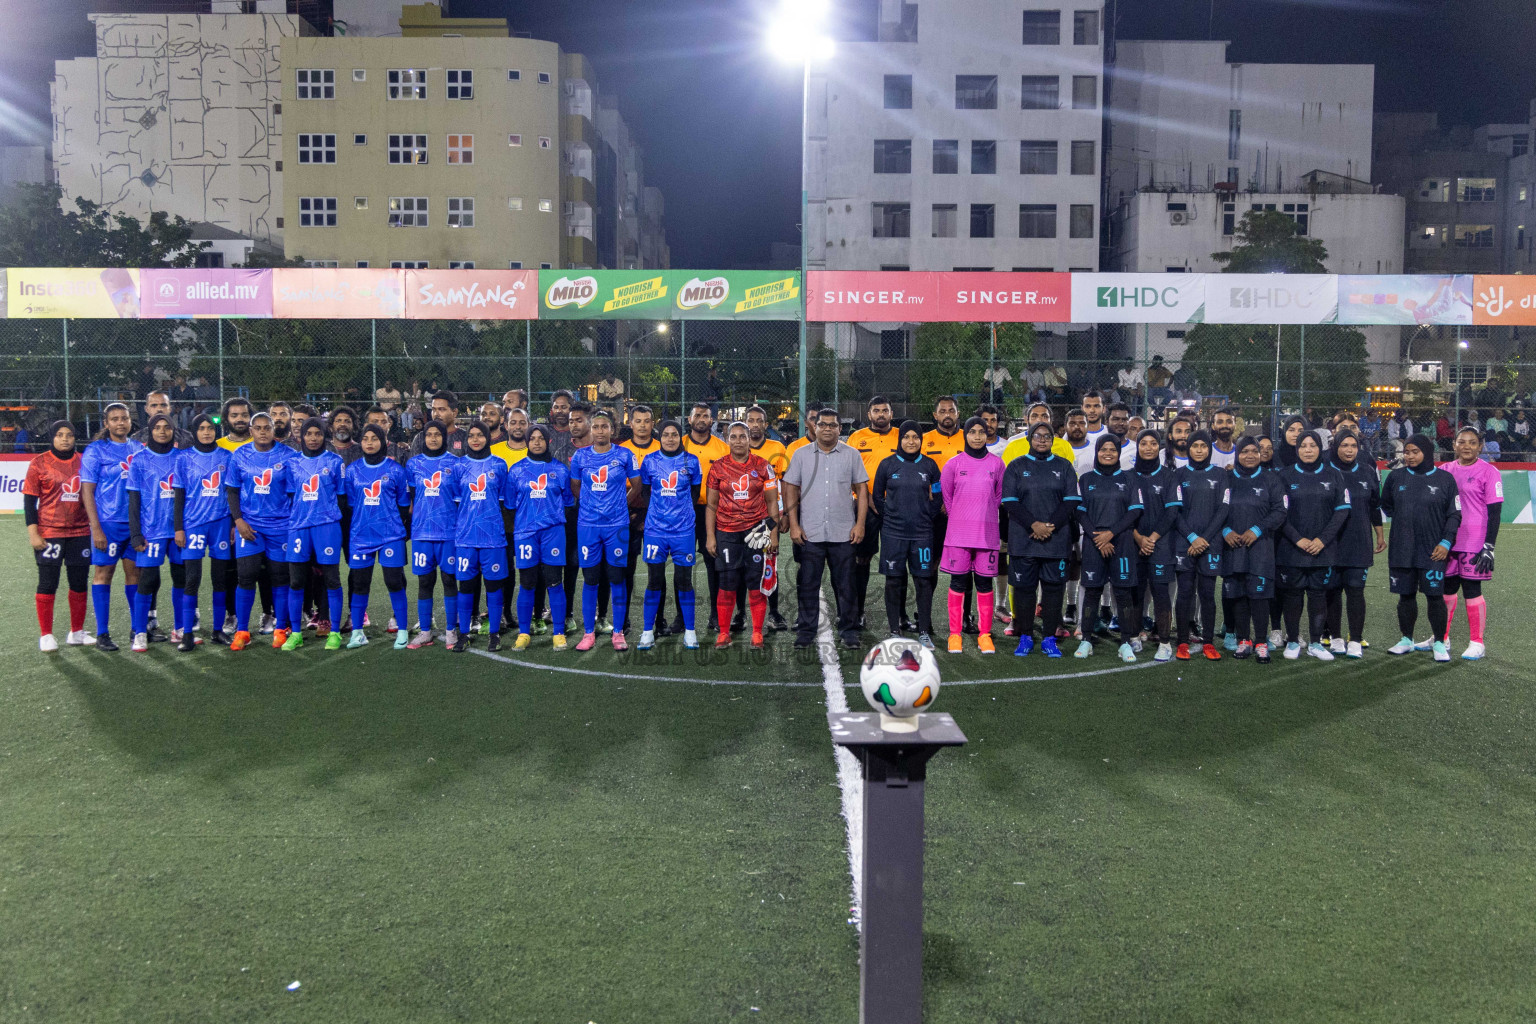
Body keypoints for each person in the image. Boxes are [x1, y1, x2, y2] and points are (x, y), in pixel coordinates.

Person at [783, 407, 868, 650]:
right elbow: (790, 488)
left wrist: (860, 523)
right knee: (808, 583)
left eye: (833, 425)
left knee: (846, 584)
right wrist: (795, 525)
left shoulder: (852, 454)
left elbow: (862, 489)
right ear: (814, 427)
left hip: (844, 532)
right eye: (822, 424)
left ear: (840, 429)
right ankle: (807, 630)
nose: (827, 429)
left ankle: (849, 630)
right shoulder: (801, 455)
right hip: (810, 532)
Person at [999, 421, 1078, 658]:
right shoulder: (1015, 466)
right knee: (1024, 590)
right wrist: (1034, 525)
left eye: (1047, 436)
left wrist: (1049, 527)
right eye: (1038, 436)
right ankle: (1025, 637)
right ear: (1029, 439)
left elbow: (1071, 501)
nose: (1042, 440)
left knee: (1054, 590)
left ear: (1053, 440)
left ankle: (1049, 638)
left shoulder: (1064, 466)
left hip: (1055, 541)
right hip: (1024, 540)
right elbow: (1010, 501)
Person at [1381, 435, 1461, 662]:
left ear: (1426, 452)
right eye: (1406, 452)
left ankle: (1438, 642)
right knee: (1405, 596)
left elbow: (1454, 514)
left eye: (1415, 451)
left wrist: (1446, 542)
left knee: (1434, 596)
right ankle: (1406, 639)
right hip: (1402, 548)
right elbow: (1386, 505)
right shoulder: (1396, 477)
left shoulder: (1445, 479)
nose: (1409, 456)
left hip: (1433, 550)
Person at [1274, 430, 1351, 662]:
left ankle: (1316, 643)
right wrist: (1298, 539)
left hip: (1323, 549)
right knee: (1293, 595)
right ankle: (1294, 640)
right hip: (1292, 548)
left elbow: (1342, 510)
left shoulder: (1334, 475)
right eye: (1303, 446)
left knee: (1318, 595)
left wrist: (1322, 540)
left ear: (1321, 448)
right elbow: (1279, 512)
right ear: (1297, 449)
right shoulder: (1284, 476)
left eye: (1313, 445)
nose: (1308, 450)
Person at [570, 410, 641, 650]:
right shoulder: (580, 457)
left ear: (612, 430)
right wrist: (593, 507)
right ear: (591, 429)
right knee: (590, 579)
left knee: (616, 578)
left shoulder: (625, 455)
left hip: (616, 527)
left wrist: (620, 506)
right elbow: (576, 488)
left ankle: (618, 632)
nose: (600, 430)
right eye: (596, 426)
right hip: (588, 526)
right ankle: (589, 632)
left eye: (605, 426)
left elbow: (637, 487)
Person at [705, 421, 779, 648]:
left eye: (742, 436)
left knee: (756, 584)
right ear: (727, 440)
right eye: (733, 437)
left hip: (756, 533)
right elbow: (711, 505)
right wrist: (710, 536)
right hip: (727, 532)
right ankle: (724, 633)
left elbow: (772, 502)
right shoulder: (717, 467)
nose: (738, 441)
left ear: (749, 439)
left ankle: (757, 632)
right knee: (727, 584)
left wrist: (773, 534)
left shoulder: (764, 466)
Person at [224, 412, 293, 651]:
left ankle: (280, 627)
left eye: (267, 427)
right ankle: (242, 630)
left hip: (281, 526)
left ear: (274, 430)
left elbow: (295, 492)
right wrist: (238, 520)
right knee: (246, 575)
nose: (263, 431)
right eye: (258, 428)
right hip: (250, 526)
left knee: (281, 577)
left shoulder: (288, 456)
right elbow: (232, 491)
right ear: (251, 430)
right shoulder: (240, 455)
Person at [80, 403, 145, 652]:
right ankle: (103, 633)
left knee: (134, 575)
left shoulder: (139, 449)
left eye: (124, 418)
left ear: (130, 421)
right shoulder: (96, 451)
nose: (120, 423)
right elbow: (87, 491)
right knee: (103, 575)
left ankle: (137, 629)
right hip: (108, 524)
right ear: (106, 424)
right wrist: (95, 527)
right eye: (115, 419)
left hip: (135, 525)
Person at [1073, 434, 1145, 662]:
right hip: (1094, 542)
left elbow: (1135, 511)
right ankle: (1086, 639)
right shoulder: (1085, 479)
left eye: (1112, 449)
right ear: (1097, 452)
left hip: (1122, 543)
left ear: (1118, 453)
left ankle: (1125, 642)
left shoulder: (1129, 479)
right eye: (1103, 449)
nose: (1107, 453)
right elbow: (1079, 511)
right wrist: (1097, 538)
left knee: (1123, 593)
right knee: (1092, 591)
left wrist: (1110, 534)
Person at [871, 421, 941, 649]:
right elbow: (877, 495)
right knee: (893, 581)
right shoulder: (887, 464)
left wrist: (926, 515)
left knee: (923, 580)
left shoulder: (930, 466)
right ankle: (894, 631)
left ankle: (923, 631)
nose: (911, 441)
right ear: (900, 439)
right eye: (907, 437)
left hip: (922, 534)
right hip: (893, 533)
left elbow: (938, 495)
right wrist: (889, 515)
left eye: (916, 437)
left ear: (921, 440)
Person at [444, 421, 514, 653]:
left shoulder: (499, 465)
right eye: (471, 435)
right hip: (465, 538)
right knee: (466, 587)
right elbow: (455, 502)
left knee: (494, 587)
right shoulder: (458, 466)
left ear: (487, 438)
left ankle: (494, 633)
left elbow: (505, 503)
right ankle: (464, 633)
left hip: (493, 538)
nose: (475, 439)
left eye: (480, 435)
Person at [278, 418, 346, 651]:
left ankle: (334, 631)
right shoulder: (292, 462)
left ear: (324, 436)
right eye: (309, 434)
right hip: (298, 526)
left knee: (331, 579)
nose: (314, 438)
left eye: (318, 433)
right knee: (296, 581)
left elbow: (342, 496)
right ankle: (295, 633)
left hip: (327, 526)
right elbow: (290, 495)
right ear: (302, 437)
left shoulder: (335, 461)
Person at [939, 417, 1006, 654]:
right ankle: (954, 634)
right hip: (959, 535)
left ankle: (984, 634)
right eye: (972, 432)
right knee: (958, 583)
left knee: (984, 584)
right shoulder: (953, 464)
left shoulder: (997, 464)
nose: (977, 436)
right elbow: (948, 498)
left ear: (987, 434)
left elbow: (998, 498)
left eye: (981, 432)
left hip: (987, 535)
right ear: (965, 435)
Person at [25, 420, 93, 651]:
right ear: (52, 437)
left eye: (70, 435)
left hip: (81, 531)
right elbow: (29, 502)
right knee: (48, 583)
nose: (65, 439)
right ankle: (46, 634)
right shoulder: (39, 463)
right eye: (60, 435)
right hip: (49, 532)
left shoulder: (84, 462)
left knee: (79, 583)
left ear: (75, 438)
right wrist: (33, 533)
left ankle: (76, 632)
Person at [343, 424, 412, 650]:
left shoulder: (395, 470)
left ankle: (402, 630)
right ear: (360, 442)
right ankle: (357, 632)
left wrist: (392, 525)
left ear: (383, 441)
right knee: (360, 583)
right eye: (365, 438)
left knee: (394, 581)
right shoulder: (352, 471)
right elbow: (351, 504)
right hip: (361, 535)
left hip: (390, 535)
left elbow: (403, 505)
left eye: (374, 438)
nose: (370, 442)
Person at [506, 424, 576, 651]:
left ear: (548, 441)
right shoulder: (516, 471)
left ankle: (558, 632)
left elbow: (568, 502)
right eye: (532, 438)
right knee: (527, 583)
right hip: (525, 534)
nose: (536, 442)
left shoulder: (561, 470)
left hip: (553, 533)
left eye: (541, 438)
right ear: (527, 441)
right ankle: (524, 633)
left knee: (555, 582)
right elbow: (509, 505)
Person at [124, 414, 188, 653]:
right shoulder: (139, 460)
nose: (162, 432)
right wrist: (136, 534)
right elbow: (134, 501)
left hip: (178, 531)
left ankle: (180, 628)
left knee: (181, 578)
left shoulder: (182, 458)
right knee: (147, 581)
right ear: (150, 431)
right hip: (151, 531)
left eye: (167, 427)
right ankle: (140, 632)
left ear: (173, 431)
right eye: (158, 428)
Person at [1220, 437, 1287, 663]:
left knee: (1259, 596)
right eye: (1245, 451)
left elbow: (1280, 510)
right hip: (1232, 546)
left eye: (1254, 451)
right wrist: (1225, 531)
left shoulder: (1271, 479)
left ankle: (1260, 641)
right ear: (1237, 454)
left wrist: (1258, 530)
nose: (1250, 455)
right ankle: (1243, 640)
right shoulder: (1227, 479)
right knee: (1238, 594)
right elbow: (1215, 510)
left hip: (1261, 547)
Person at [1437, 426, 1502, 660]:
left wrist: (1489, 546)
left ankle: (1477, 642)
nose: (1467, 446)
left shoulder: (1489, 472)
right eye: (1462, 442)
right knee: (1446, 589)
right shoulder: (1444, 470)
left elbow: (1495, 513)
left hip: (1474, 541)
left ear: (1480, 447)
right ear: (1454, 445)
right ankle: (1441, 638)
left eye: (1472, 443)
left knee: (1472, 590)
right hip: (1447, 540)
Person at [171, 414, 233, 651]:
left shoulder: (227, 457)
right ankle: (187, 633)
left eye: (210, 428)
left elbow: (232, 493)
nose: (207, 432)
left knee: (220, 579)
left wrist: (232, 525)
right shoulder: (184, 458)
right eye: (202, 428)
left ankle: (218, 631)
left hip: (220, 524)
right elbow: (179, 496)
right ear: (194, 431)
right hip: (193, 524)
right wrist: (179, 528)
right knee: (192, 580)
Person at [1325, 431, 1385, 659]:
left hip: (1359, 541)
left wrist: (1379, 535)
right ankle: (1337, 638)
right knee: (1332, 592)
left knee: (1356, 592)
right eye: (1344, 445)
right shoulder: (1327, 472)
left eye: (1353, 446)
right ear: (1336, 447)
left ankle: (1356, 640)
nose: (1349, 450)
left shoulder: (1367, 472)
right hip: (1331, 542)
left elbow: (1374, 506)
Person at [404, 422, 460, 650]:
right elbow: (413, 498)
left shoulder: (454, 464)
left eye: (438, 434)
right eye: (429, 434)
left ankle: (450, 631)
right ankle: (425, 631)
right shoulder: (413, 464)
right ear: (423, 437)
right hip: (422, 532)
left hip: (448, 532)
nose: (433, 438)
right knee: (424, 582)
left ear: (444, 437)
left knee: (449, 580)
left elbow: (458, 498)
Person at [1171, 430, 1227, 660]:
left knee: (1207, 594)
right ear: (1189, 449)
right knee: (1185, 593)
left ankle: (1208, 642)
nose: (1200, 450)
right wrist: (1193, 537)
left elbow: (1224, 509)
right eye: (1196, 446)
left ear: (1209, 449)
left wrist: (1205, 538)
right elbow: (1174, 511)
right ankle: (1182, 641)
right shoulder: (1178, 474)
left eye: (1204, 446)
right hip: (1185, 542)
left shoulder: (1221, 474)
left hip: (1211, 543)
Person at [848, 396, 900, 631]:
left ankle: (900, 614)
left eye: (885, 410)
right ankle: (858, 611)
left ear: (891, 413)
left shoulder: (902, 436)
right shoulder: (856, 438)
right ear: (869, 414)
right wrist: (867, 499)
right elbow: (848, 472)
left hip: (896, 508)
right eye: (876, 410)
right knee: (862, 559)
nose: (881, 414)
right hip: (864, 507)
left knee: (898, 561)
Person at [682, 402, 730, 631]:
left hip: (714, 512)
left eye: (706, 416)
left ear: (712, 421)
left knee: (714, 564)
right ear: (689, 420)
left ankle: (715, 615)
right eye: (697, 415)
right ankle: (681, 618)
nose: (701, 419)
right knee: (683, 565)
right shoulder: (678, 444)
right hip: (682, 513)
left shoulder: (722, 448)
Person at [1130, 430, 1178, 662]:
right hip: (1133, 543)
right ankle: (1135, 635)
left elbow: (1172, 511)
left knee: (1161, 594)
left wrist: (1153, 538)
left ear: (1158, 447)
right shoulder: (1127, 476)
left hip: (1161, 544)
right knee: (1136, 592)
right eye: (1143, 443)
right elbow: (1122, 512)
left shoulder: (1169, 476)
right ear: (1137, 447)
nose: (1148, 448)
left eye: (1153, 443)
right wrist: (1138, 537)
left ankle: (1165, 642)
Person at [619, 404, 663, 633]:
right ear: (631, 423)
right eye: (638, 421)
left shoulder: (662, 446)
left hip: (658, 516)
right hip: (628, 515)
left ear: (652, 424)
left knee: (657, 569)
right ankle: (623, 620)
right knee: (626, 568)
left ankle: (660, 619)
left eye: (647, 421)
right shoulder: (622, 450)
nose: (643, 425)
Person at [746, 405, 791, 632]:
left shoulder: (777, 448)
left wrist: (784, 515)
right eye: (750, 420)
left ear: (766, 424)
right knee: (740, 568)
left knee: (769, 565)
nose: (755, 424)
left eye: (759, 421)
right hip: (741, 517)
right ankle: (740, 615)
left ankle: (774, 613)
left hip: (769, 517)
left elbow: (783, 485)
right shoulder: (736, 448)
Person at [1000, 403, 1074, 463]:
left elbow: (1072, 476)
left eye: (1044, 416)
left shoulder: (1064, 445)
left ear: (1051, 421)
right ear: (1026, 420)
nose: (1039, 419)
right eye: (1034, 416)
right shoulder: (1013, 446)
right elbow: (1006, 477)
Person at [411, 390, 468, 458]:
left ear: (454, 412)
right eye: (434, 409)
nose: (436, 414)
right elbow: (413, 466)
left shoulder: (465, 438)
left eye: (441, 409)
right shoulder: (420, 438)